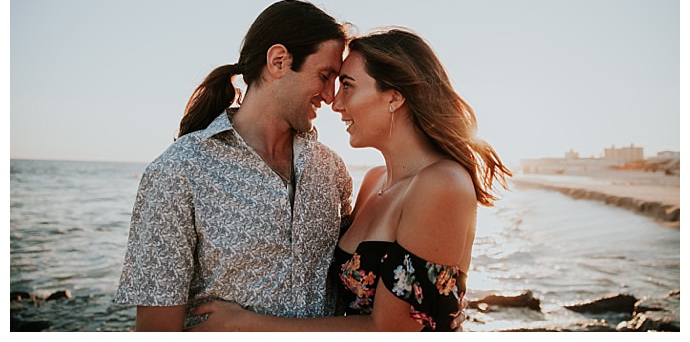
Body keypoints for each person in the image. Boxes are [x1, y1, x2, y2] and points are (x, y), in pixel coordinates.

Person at [189, 27, 512, 331]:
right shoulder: (374, 181)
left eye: (348, 85)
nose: (335, 103)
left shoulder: (442, 183)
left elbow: (391, 329)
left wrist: (248, 324)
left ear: (394, 97)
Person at [114, 0, 354, 330]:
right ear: (279, 61)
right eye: (325, 76)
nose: (330, 96)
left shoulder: (333, 172)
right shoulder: (179, 172)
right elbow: (157, 327)